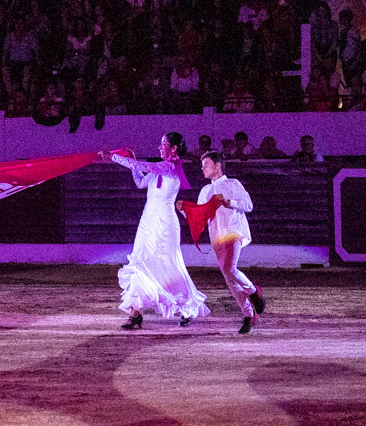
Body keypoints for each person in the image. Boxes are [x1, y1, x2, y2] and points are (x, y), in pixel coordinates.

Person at [101, 132, 209, 329]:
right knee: (139, 262)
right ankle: (135, 314)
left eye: (163, 144)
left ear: (174, 148)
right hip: (147, 222)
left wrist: (116, 158)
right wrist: (131, 161)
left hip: (164, 223)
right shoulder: (160, 168)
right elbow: (140, 182)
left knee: (169, 266)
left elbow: (146, 167)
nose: (159, 147)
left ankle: (187, 308)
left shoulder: (170, 167)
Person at [194, 151, 266, 334]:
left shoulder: (233, 184)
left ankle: (253, 291)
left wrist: (230, 202)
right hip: (217, 236)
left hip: (233, 232)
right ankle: (249, 315)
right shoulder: (205, 191)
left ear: (217, 166)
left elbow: (248, 205)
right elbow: (199, 216)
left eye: (206, 164)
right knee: (229, 279)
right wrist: (185, 210)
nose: (202, 168)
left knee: (229, 269)